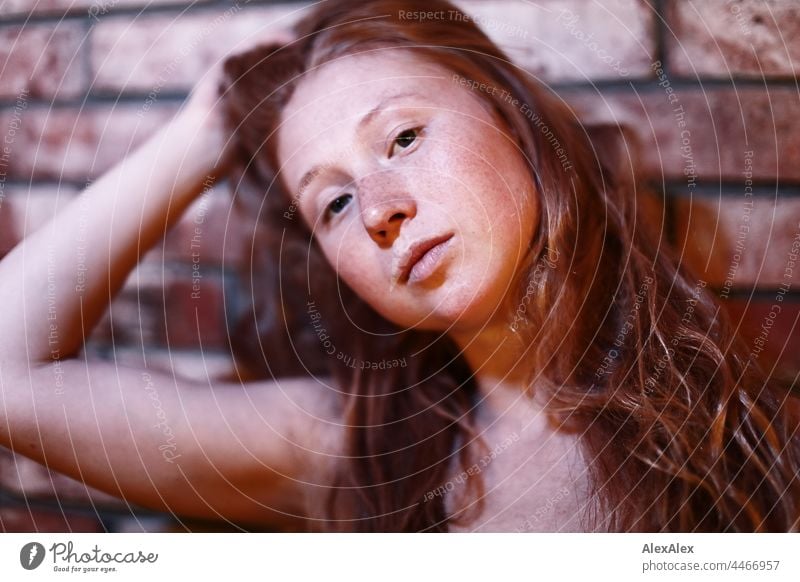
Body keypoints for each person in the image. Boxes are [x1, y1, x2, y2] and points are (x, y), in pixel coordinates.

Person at [1, 0, 798, 533]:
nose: (380, 207)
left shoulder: (735, 423)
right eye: (334, 203)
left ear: (515, 122)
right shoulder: (358, 453)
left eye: (404, 138)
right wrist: (204, 131)